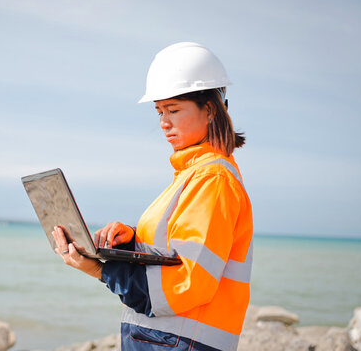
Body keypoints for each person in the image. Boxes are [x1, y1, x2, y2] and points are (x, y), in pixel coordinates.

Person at [51, 42, 253, 351]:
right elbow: (176, 254)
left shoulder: (213, 178)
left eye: (173, 110)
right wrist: (129, 241)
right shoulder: (191, 176)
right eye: (159, 111)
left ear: (210, 109)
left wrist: (102, 269)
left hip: (181, 342)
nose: (163, 123)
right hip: (165, 340)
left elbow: (187, 284)